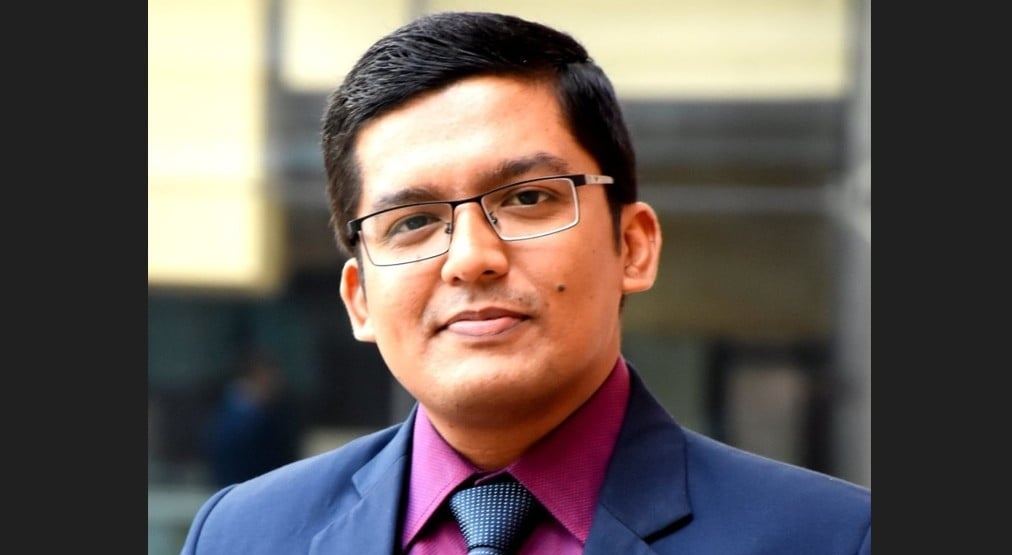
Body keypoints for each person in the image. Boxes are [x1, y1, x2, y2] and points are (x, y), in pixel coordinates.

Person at [180, 11, 871, 554]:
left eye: (528, 198)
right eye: (413, 221)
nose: (470, 258)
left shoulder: (833, 538)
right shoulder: (242, 536)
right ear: (359, 298)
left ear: (632, 246)